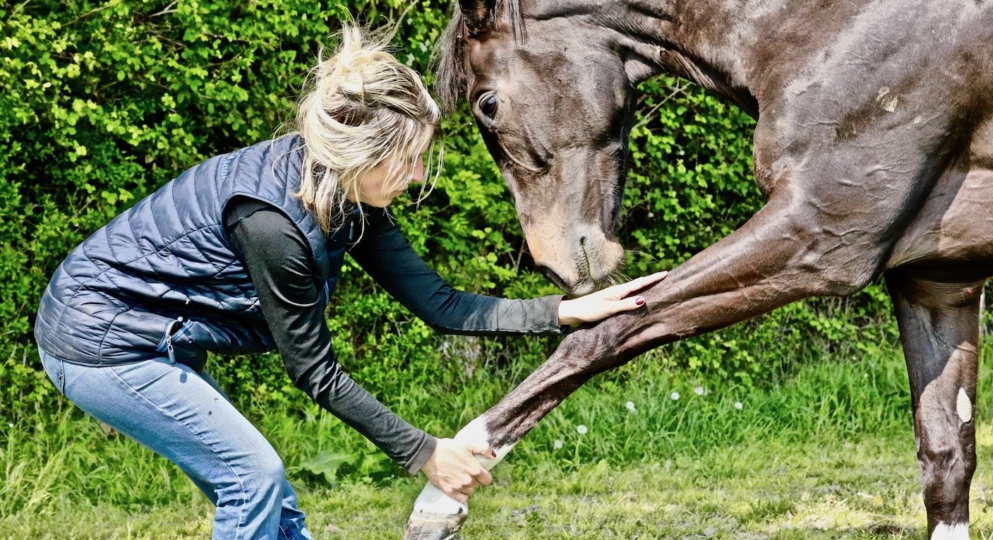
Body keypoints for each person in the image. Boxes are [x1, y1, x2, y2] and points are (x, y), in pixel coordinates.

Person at [33, 25, 666, 540]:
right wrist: (425, 452)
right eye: (411, 158)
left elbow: (439, 303)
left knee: (266, 499)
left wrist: (562, 313)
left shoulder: (348, 196)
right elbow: (314, 372)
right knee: (252, 479)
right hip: (102, 343)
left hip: (150, 332)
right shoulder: (272, 224)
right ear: (366, 155)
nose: (419, 176)